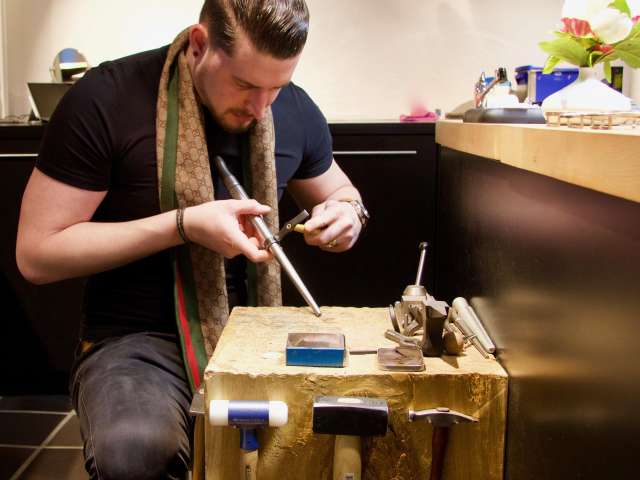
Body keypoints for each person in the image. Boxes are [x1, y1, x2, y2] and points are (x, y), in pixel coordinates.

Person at [15, 0, 369, 478]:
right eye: (244, 85)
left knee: (347, 433)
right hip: (137, 337)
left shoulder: (292, 108)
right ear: (200, 45)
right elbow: (37, 253)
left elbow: (342, 193)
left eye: (277, 87)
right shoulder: (106, 98)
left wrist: (348, 214)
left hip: (258, 329)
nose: (260, 108)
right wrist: (182, 226)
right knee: (136, 452)